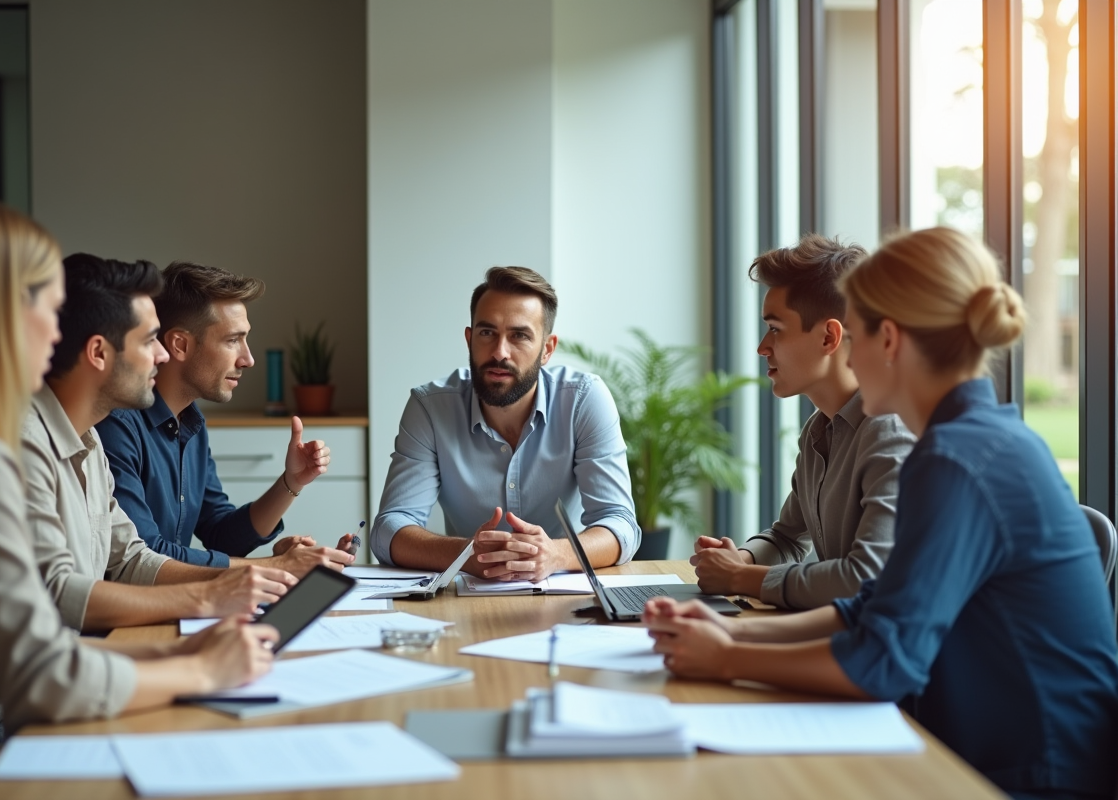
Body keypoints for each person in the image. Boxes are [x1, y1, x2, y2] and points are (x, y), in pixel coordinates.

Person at [645, 227, 1118, 800]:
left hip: (1024, 776)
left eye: (856, 334)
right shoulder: (974, 440)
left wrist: (729, 660)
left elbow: (882, 661)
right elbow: (870, 606)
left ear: (886, 340)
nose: (849, 355)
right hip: (989, 753)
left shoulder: (955, 458)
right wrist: (731, 633)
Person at [0, 199, 277, 800]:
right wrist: (200, 666)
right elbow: (42, 673)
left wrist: (185, 649)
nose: (61, 331)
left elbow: (108, 574)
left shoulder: (64, 437)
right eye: (51, 308)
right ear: (1, 317)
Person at [23, 253, 301, 632]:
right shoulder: (29, 445)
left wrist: (241, 583)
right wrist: (249, 579)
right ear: (99, 353)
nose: (161, 354)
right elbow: (59, 595)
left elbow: (131, 560)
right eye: (150, 340)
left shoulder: (88, 443)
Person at [370, 266, 639, 581]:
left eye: (520, 335)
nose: (500, 352)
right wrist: (468, 554)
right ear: (470, 339)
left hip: (566, 598)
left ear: (547, 349)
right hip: (468, 601)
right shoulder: (429, 407)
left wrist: (555, 555)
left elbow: (619, 524)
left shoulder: (583, 399)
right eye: (487, 333)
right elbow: (389, 529)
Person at [692, 235, 914, 609]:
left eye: (775, 328)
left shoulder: (889, 430)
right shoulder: (819, 428)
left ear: (829, 337)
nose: (762, 347)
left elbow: (867, 577)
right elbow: (788, 538)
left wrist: (739, 577)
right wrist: (741, 559)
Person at [95, 261, 353, 575]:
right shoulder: (116, 426)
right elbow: (146, 554)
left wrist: (291, 482)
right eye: (233, 340)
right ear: (181, 345)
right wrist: (277, 567)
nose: (248, 359)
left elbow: (221, 534)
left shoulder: (191, 424)